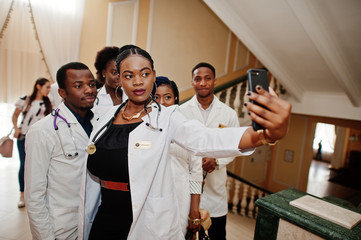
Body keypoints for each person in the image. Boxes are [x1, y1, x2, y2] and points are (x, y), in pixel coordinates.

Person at [78, 47, 291, 240]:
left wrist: (264, 135)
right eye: (128, 75)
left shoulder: (168, 117)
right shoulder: (105, 118)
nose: (137, 81)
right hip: (104, 218)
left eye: (144, 73)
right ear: (120, 80)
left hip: (145, 220)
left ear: (153, 75)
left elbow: (206, 139)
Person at [25, 62, 98, 239]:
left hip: (93, 222)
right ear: (62, 93)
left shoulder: (99, 124)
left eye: (92, 84)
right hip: (61, 228)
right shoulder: (43, 130)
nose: (89, 90)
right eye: (79, 86)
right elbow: (34, 196)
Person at [179, 62, 239, 239]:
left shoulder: (229, 114)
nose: (203, 83)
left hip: (215, 192)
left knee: (217, 236)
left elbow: (235, 146)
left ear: (215, 81)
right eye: (198, 79)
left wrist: (217, 160)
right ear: (192, 82)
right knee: (185, 235)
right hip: (187, 190)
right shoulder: (181, 112)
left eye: (207, 78)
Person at [154, 76, 202, 235]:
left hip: (179, 197)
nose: (162, 102)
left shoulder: (187, 128)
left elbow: (195, 172)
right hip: (151, 199)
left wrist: (194, 210)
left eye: (167, 97)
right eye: (156, 97)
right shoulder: (144, 128)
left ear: (175, 100)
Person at [12, 77, 52, 208]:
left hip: (41, 139)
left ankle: (39, 195)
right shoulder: (26, 100)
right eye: (47, 87)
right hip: (24, 137)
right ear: (38, 87)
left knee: (42, 166)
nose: (49, 90)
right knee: (24, 165)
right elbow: (15, 115)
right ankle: (22, 195)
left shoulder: (49, 103)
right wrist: (17, 128)